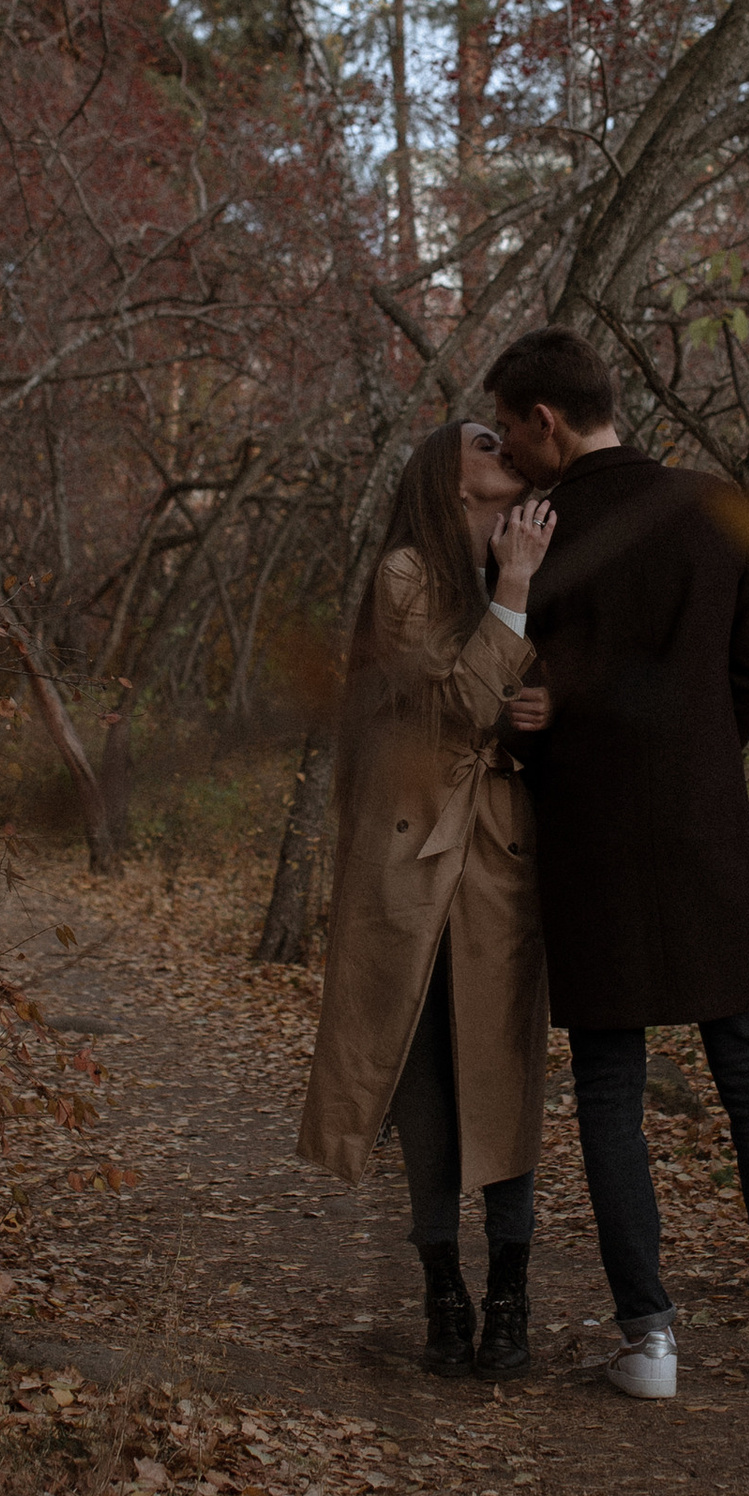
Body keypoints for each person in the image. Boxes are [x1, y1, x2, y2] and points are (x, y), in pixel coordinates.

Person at [483, 323, 749, 1400]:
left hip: (586, 840)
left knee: (608, 1087)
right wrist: (689, 760)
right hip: (703, 834)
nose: (507, 452)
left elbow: (505, 701)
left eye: (509, 431)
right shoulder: (715, 508)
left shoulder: (527, 536)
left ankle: (648, 1344)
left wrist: (556, 742)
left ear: (546, 420)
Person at [297, 421, 557, 1379]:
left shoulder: (531, 549)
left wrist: (554, 703)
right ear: (451, 478)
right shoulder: (407, 572)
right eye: (488, 442)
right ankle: (443, 1287)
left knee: (504, 1064)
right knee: (422, 1079)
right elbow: (459, 703)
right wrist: (515, 589)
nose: (508, 451)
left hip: (499, 848)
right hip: (408, 849)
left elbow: (547, 689)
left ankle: (513, 1294)